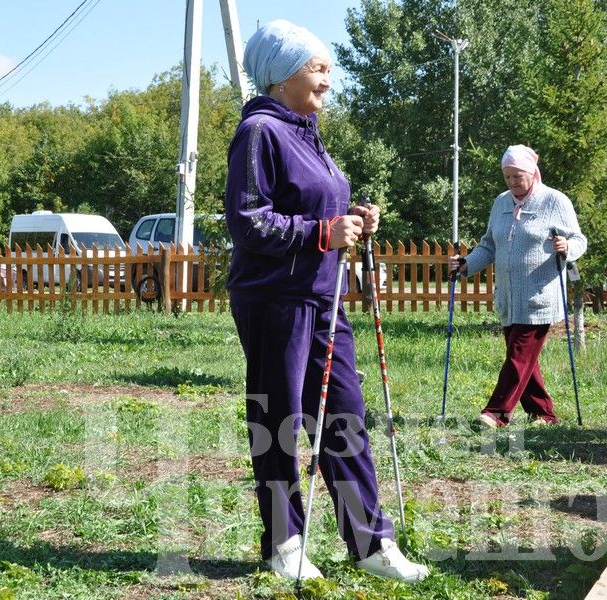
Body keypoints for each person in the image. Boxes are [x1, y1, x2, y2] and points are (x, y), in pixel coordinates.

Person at [224, 19, 429, 583]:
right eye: (318, 69)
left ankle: (370, 544)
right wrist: (321, 233)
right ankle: (284, 544)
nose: (327, 82)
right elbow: (247, 222)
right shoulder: (260, 132)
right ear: (282, 73)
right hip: (276, 300)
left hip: (324, 297)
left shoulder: (305, 129)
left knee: (345, 416)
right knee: (280, 420)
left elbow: (319, 204)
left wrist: (354, 217)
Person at [448, 144, 587, 428]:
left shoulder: (554, 201)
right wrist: (466, 265)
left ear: (532, 173)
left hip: (539, 296)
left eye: (517, 176)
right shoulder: (501, 202)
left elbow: (579, 240)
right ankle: (544, 414)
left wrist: (566, 246)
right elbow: (489, 245)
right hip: (509, 298)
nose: (512, 182)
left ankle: (496, 413)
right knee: (525, 360)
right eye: (507, 176)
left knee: (519, 356)